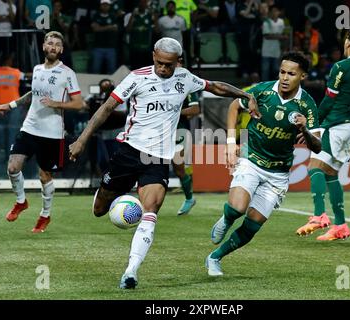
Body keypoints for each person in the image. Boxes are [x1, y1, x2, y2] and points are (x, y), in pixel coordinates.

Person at [68, 37, 259, 289]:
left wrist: (246, 95)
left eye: (168, 65)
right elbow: (106, 108)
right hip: (129, 152)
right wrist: (81, 140)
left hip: (157, 159)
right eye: (159, 63)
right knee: (100, 210)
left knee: (150, 211)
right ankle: (114, 196)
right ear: (153, 56)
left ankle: (130, 272)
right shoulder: (137, 77)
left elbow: (216, 87)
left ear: (177, 62)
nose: (163, 69)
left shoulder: (185, 77)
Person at [205, 51, 321, 277]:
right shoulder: (262, 90)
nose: (285, 77)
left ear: (303, 76)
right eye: (282, 72)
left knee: (252, 226)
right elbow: (234, 107)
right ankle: (227, 218)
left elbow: (317, 147)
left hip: (278, 172)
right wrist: (231, 142)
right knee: (237, 208)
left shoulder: (307, 105)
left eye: (291, 74)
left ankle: (215, 258)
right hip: (251, 156)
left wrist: (304, 130)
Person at [0, 31, 83, 233]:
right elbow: (32, 94)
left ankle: (45, 215)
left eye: (56, 45)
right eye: (49, 43)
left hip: (52, 133)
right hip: (30, 127)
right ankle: (21, 201)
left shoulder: (67, 73)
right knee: (12, 167)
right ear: (44, 46)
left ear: (61, 50)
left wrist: (56, 103)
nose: (52, 47)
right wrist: (10, 105)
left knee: (44, 176)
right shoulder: (36, 69)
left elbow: (79, 103)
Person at [296, 24, 350, 241]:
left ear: (349, 42)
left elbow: (329, 101)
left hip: (337, 125)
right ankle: (340, 225)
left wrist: (313, 126)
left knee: (314, 167)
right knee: (331, 174)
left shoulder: (342, 67)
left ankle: (318, 215)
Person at [173, 68, 201, 215]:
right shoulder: (159, 83)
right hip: (159, 131)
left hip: (179, 131)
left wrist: (173, 111)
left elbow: (195, 110)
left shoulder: (187, 85)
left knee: (178, 167)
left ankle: (189, 198)